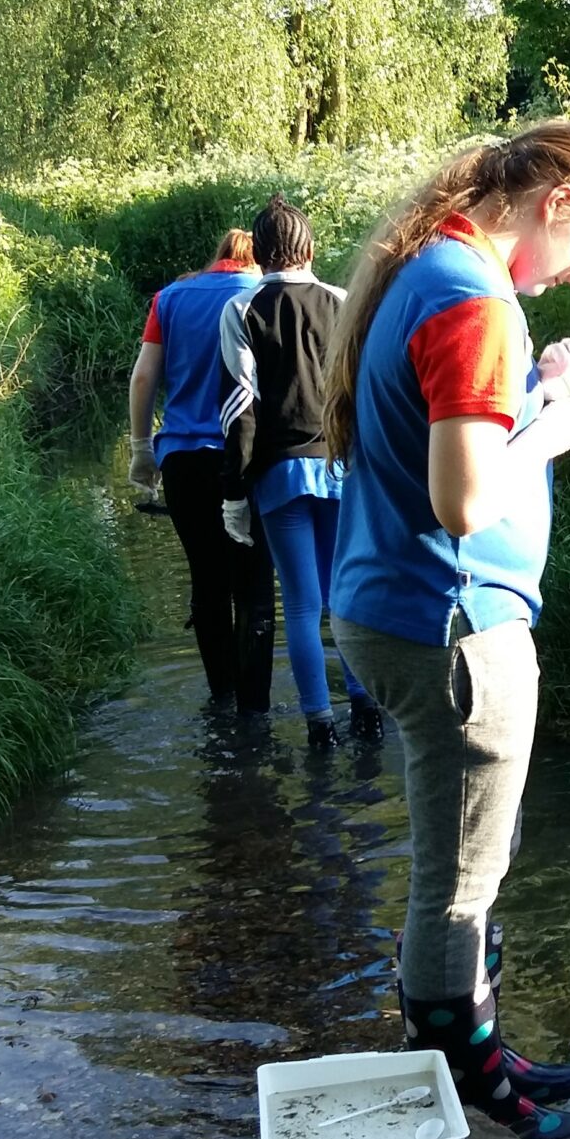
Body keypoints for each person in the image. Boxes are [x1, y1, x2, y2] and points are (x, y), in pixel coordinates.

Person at [323, 121, 570, 1139]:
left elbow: (452, 432)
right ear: (556, 202)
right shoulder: (467, 294)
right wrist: (559, 422)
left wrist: (536, 384)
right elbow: (462, 500)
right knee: (460, 883)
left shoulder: (433, 268)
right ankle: (472, 1092)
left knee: (465, 863)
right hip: (452, 625)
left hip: (400, 608)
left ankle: (476, 1048)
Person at [216, 194, 382, 751]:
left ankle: (320, 726)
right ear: (309, 248)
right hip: (342, 466)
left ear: (258, 255)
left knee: (304, 606)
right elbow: (366, 390)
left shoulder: (241, 310)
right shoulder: (342, 300)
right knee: (345, 600)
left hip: (280, 473)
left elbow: (242, 408)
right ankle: (367, 711)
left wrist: (233, 494)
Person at [128, 230, 274, 712]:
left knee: (207, 581)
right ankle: (254, 710)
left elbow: (145, 376)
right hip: (248, 457)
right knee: (252, 586)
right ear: (259, 259)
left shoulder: (169, 299)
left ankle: (221, 697)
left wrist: (140, 448)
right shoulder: (264, 295)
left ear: (217, 257)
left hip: (184, 460)